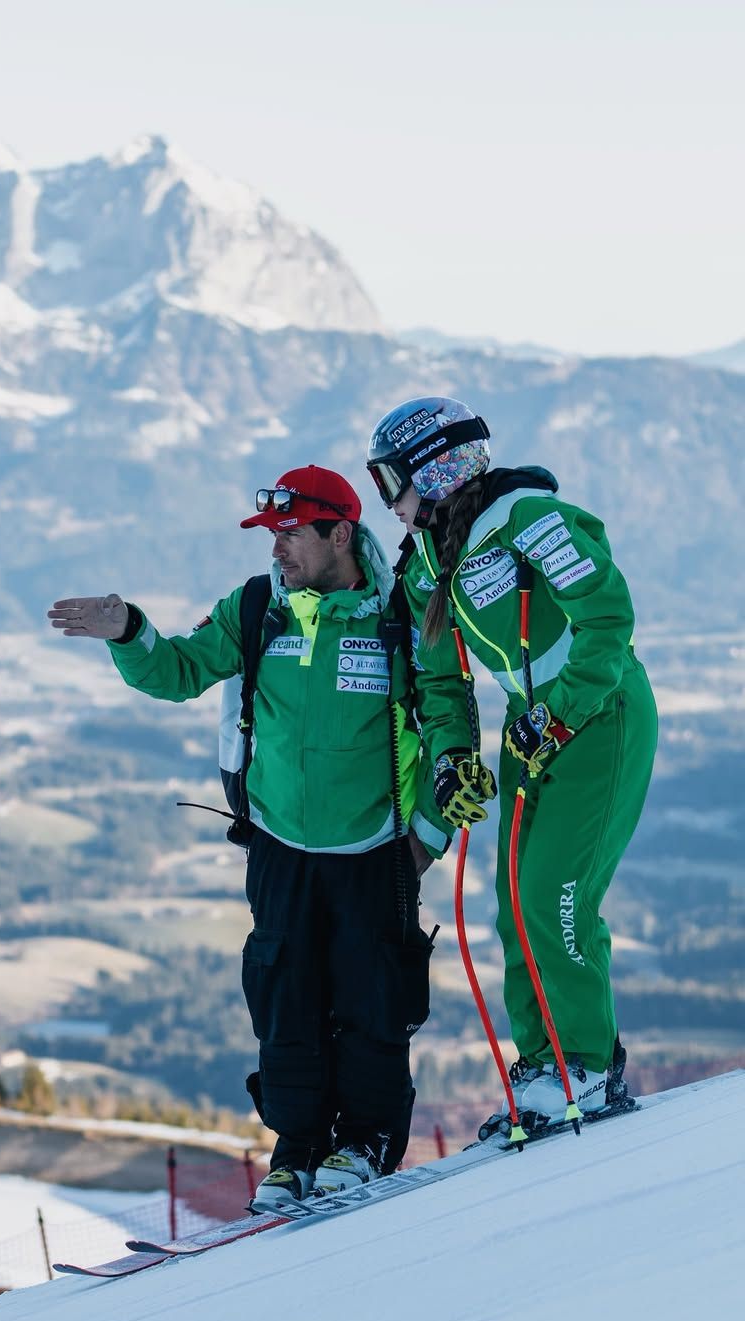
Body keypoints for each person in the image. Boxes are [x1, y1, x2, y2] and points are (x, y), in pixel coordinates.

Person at [48, 465, 450, 1201]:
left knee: (373, 1002)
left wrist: (426, 835)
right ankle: (297, 1150)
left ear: (340, 533)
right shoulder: (258, 606)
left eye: (290, 533)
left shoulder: (400, 609)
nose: (277, 549)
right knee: (284, 1001)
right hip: (278, 848)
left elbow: (449, 714)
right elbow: (177, 672)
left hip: (373, 851)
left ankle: (365, 1142)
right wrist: (130, 631)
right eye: (272, 535)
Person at [365, 397, 658, 1127]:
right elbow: (441, 681)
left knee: (555, 893)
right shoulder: (426, 562)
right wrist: (453, 759)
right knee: (514, 907)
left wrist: (562, 711)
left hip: (599, 712)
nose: (389, 503)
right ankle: (544, 1064)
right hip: (529, 726)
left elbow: (608, 617)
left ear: (436, 471)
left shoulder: (530, 519)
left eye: (392, 481)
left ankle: (587, 1064)